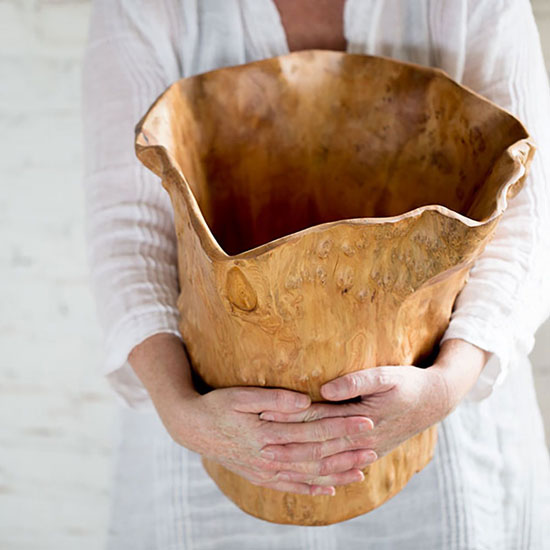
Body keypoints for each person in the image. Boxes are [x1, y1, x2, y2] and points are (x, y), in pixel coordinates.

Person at [82, 0, 550, 548]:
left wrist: (447, 385)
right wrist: (183, 413)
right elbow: (127, 224)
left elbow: (530, 207)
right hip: (209, 417)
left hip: (443, 411)